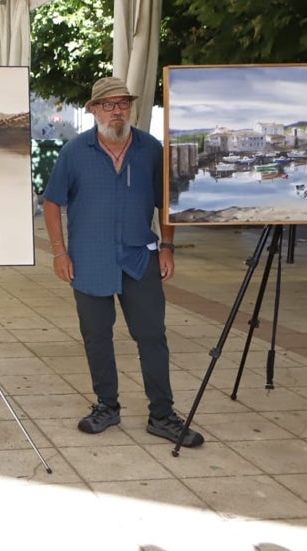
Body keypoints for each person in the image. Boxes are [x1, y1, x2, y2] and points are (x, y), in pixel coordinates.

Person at [42, 77, 203, 448]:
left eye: (123, 104)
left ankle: (162, 415)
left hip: (139, 258)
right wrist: (59, 251)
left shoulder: (150, 149)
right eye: (109, 104)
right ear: (94, 110)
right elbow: (53, 203)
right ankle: (106, 407)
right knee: (97, 338)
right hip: (90, 260)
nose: (117, 111)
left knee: (152, 337)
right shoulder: (75, 152)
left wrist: (167, 246)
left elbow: (168, 201)